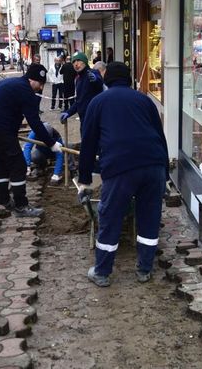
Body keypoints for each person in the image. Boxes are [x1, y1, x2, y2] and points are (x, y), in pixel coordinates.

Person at [77, 62, 168, 287]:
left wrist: (85, 178)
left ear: (107, 79)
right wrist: (164, 174)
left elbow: (88, 143)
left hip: (121, 168)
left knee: (110, 218)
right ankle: (144, 270)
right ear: (128, 79)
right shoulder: (144, 100)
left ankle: (102, 272)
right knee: (149, 217)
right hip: (153, 165)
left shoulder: (98, 102)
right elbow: (160, 136)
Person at [0, 64, 63, 217]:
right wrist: (51, 143)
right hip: (1, 129)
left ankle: (3, 201)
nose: (41, 87)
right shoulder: (26, 91)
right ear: (33, 80)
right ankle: (21, 206)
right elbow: (35, 122)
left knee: (1, 164)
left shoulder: (9, 83)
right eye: (41, 83)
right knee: (19, 166)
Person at [60, 51, 104, 135]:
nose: (76, 64)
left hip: (94, 118)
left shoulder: (92, 73)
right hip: (83, 119)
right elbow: (79, 101)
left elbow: (99, 82)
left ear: (85, 61)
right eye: (74, 62)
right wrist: (68, 112)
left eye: (78, 60)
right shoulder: (78, 80)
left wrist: (95, 79)